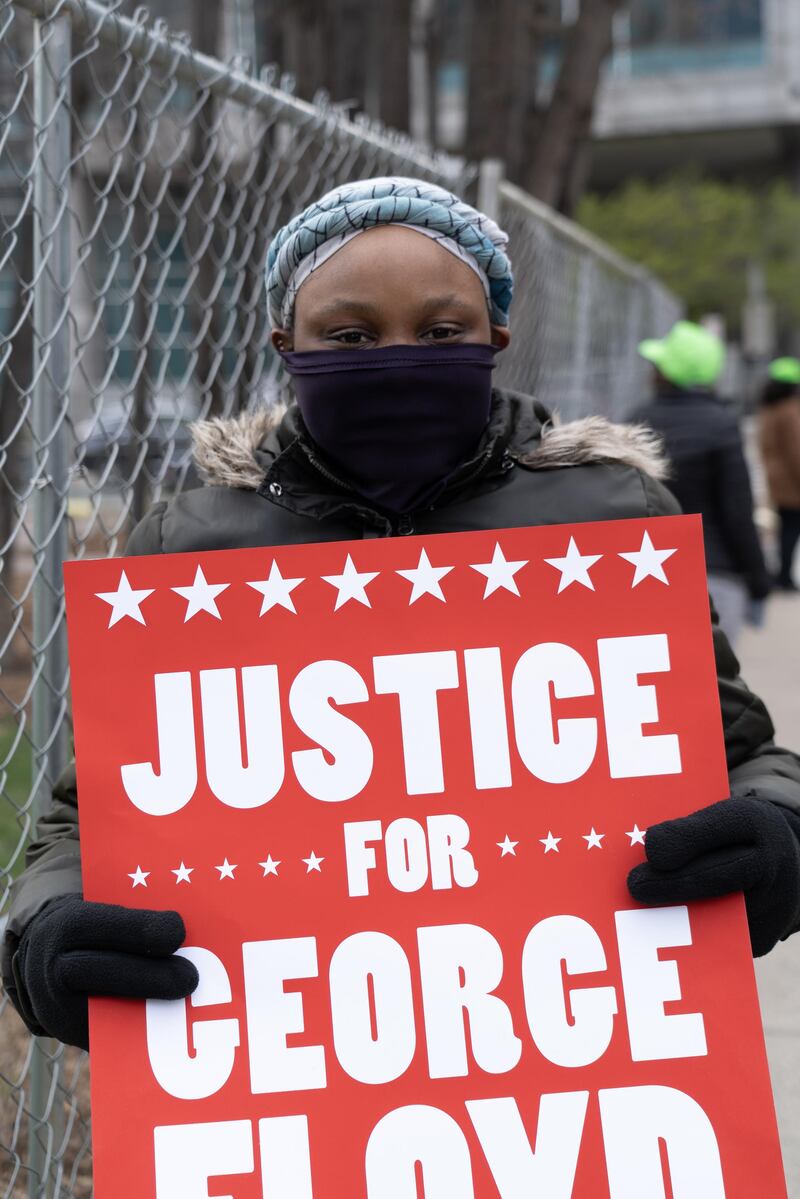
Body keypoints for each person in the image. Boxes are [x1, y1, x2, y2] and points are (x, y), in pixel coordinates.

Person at [5, 178, 800, 1051]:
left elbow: (738, 753)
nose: (397, 354)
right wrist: (48, 933)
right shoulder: (189, 555)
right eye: (349, 335)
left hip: (580, 1064)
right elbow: (93, 816)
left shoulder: (610, 521)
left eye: (440, 331)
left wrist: (778, 833)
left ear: (496, 337)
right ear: (287, 343)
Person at [634, 320, 771, 646]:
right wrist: (758, 579)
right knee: (714, 687)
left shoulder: (636, 419)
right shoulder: (722, 425)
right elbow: (737, 510)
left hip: (647, 569)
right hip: (714, 571)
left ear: (666, 373)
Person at [759, 356, 800, 592]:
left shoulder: (768, 408)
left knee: (786, 528)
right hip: (793, 482)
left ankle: (781, 574)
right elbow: (796, 450)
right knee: (791, 530)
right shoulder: (789, 410)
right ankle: (784, 576)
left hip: (777, 479)